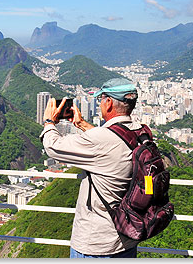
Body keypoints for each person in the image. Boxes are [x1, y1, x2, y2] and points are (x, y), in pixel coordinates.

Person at [40, 78, 141, 258]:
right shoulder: (140, 131)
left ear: (108, 103)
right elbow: (113, 141)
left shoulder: (101, 139)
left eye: (101, 99)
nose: (100, 103)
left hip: (96, 244)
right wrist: (81, 124)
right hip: (128, 239)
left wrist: (49, 121)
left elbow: (53, 147)